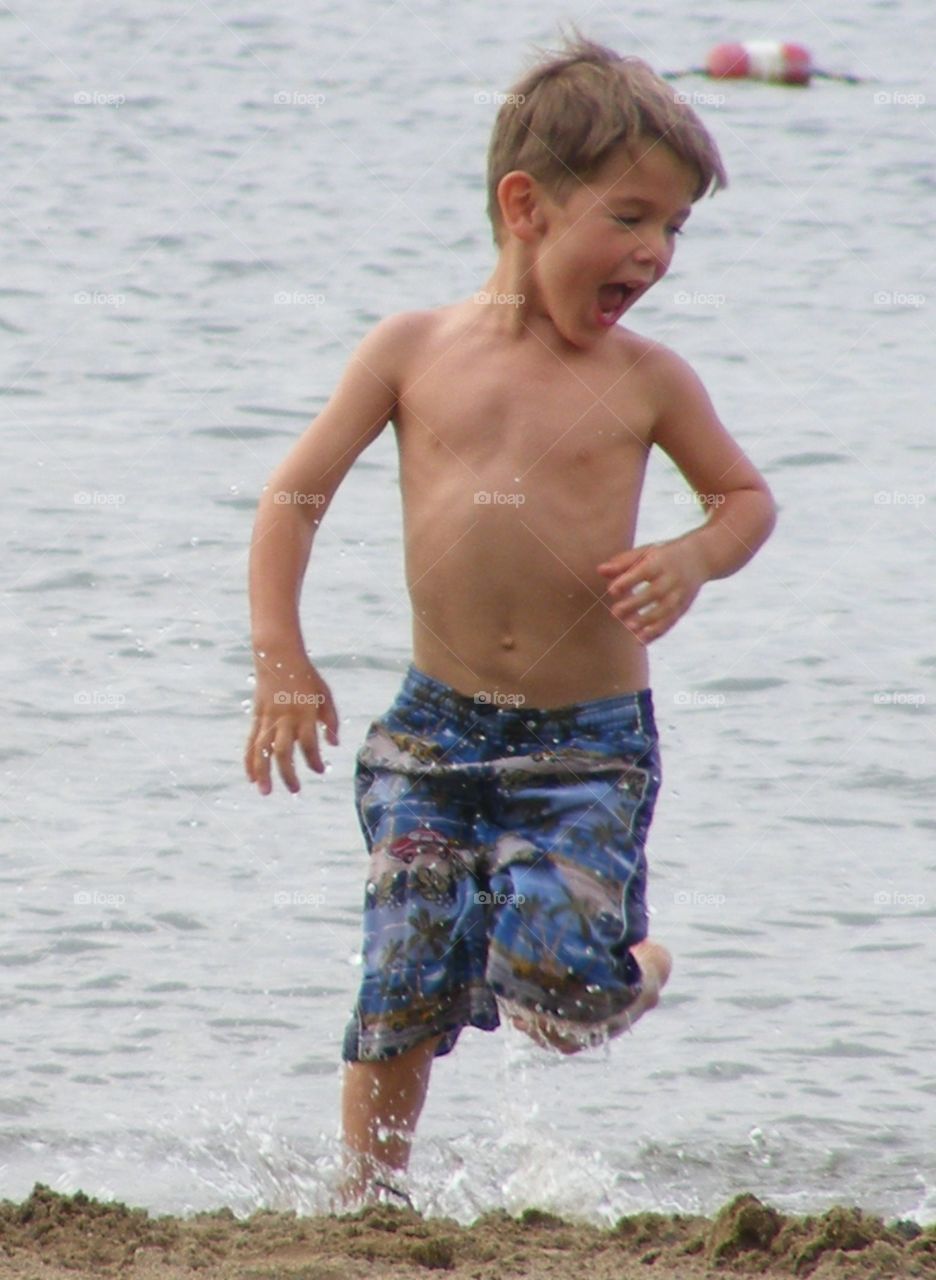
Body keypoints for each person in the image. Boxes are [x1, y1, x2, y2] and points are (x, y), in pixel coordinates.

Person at [244, 36, 776, 1204]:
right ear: (526, 206)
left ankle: (629, 965)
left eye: (677, 228)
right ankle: (368, 1196)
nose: (655, 252)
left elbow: (746, 499)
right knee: (404, 959)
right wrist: (283, 658)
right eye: (633, 217)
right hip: (432, 729)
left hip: (587, 742)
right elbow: (293, 498)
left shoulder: (649, 378)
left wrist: (693, 557)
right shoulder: (410, 351)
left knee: (556, 1001)